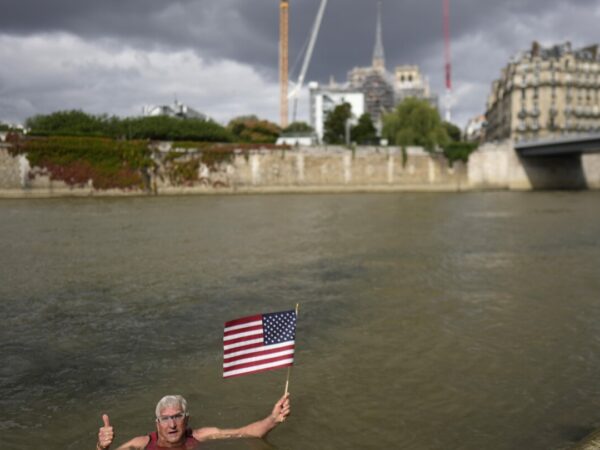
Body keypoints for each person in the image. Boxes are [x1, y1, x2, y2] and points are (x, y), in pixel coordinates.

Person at [96, 392, 290, 450]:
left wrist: (272, 419)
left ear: (186, 419)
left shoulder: (200, 436)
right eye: (165, 419)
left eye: (177, 417)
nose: (172, 425)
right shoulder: (141, 444)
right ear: (157, 423)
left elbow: (247, 432)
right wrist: (101, 447)